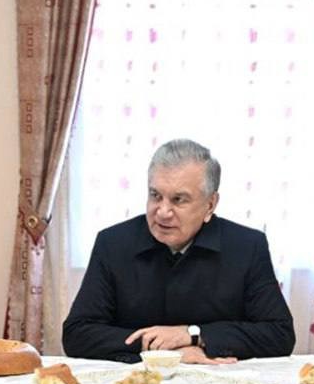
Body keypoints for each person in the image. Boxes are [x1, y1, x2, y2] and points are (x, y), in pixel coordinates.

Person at [62, 139, 295, 363]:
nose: (163, 212)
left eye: (178, 200)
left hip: (219, 381)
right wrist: (163, 351)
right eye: (155, 196)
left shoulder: (247, 246)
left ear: (210, 205)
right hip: (136, 381)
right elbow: (77, 334)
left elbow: (279, 334)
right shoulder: (113, 243)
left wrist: (194, 335)